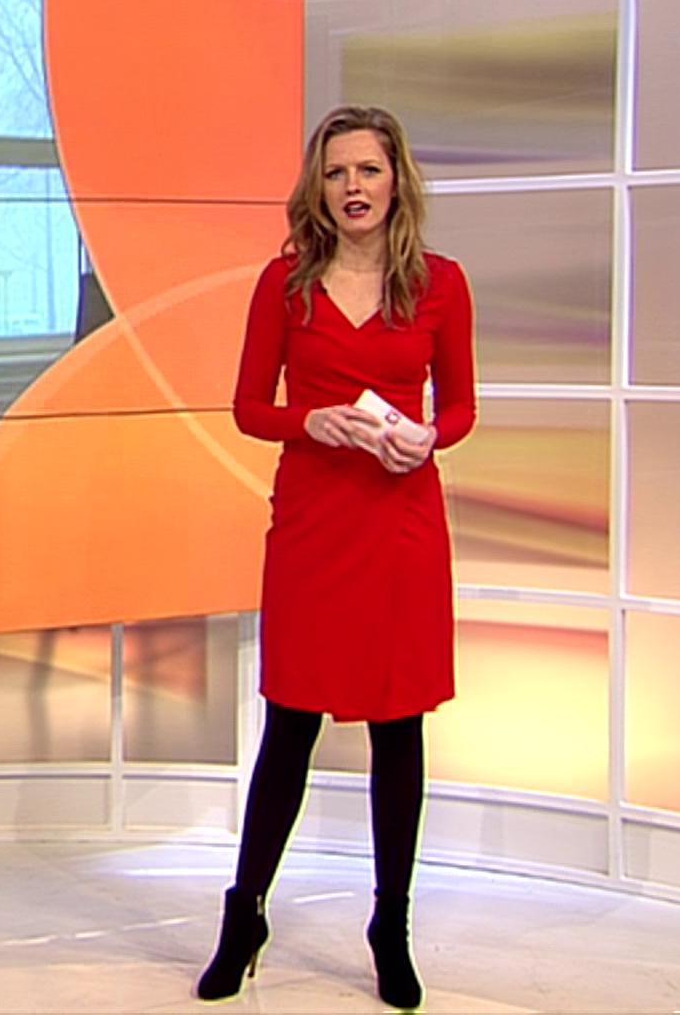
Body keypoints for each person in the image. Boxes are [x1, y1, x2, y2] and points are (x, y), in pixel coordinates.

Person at [197, 105, 477, 1009]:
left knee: (400, 727)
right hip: (315, 526)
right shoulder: (284, 286)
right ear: (316, 189)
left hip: (402, 526)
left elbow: (461, 407)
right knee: (291, 722)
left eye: (368, 170)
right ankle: (244, 916)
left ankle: (390, 925)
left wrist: (430, 436)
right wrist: (309, 421)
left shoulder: (441, 284)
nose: (353, 187)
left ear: (397, 180)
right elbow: (248, 408)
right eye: (335, 172)